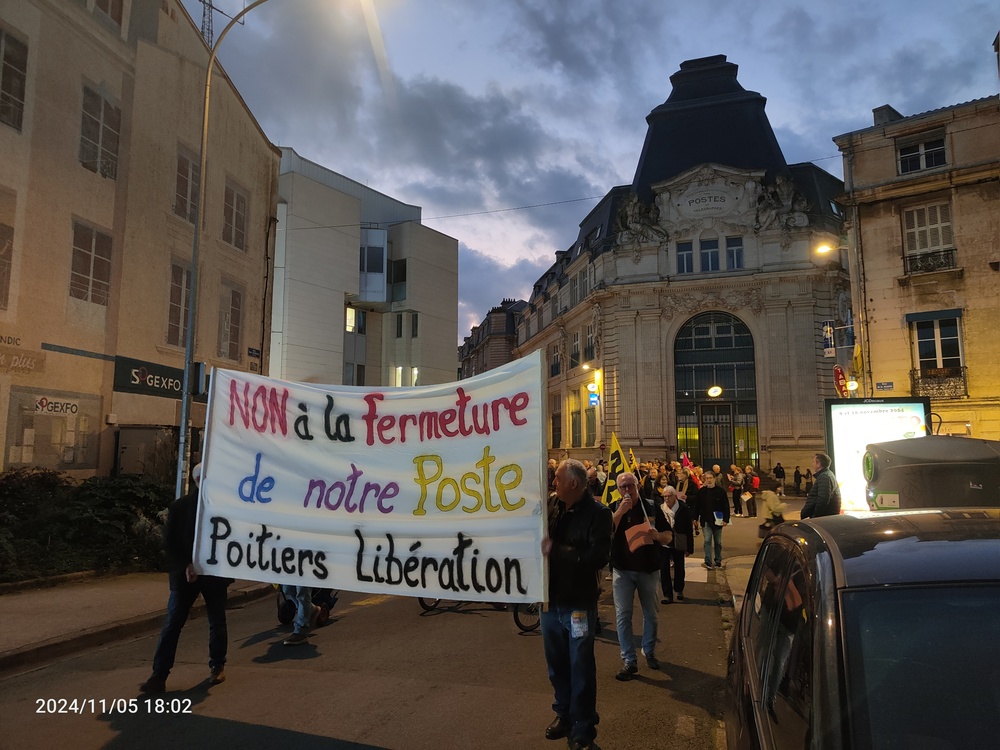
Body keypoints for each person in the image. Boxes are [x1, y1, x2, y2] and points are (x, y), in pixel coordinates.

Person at [540, 459, 613, 750]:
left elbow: (597, 557)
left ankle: (583, 726)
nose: (553, 483)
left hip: (578, 604)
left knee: (580, 665)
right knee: (556, 665)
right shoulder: (552, 507)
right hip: (550, 602)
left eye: (557, 479)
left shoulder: (599, 514)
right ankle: (564, 714)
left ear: (573, 483)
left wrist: (557, 550)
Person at [140, 464, 230, 694]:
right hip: (186, 576)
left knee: (216, 621)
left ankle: (217, 665)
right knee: (172, 624)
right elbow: (169, 542)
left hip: (214, 575)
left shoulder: (222, 507)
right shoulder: (181, 507)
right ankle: (159, 675)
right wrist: (185, 564)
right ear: (198, 480)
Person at [609, 471, 672, 681]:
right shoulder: (613, 508)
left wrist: (658, 536)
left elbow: (669, 536)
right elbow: (607, 531)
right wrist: (620, 511)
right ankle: (629, 660)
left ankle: (649, 650)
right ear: (618, 490)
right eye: (623, 487)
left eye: (630, 486)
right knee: (623, 616)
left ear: (637, 486)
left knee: (651, 614)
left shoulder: (652, 507)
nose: (627, 490)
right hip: (622, 570)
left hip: (648, 570)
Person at [659, 486, 694, 604]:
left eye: (669, 496)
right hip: (664, 542)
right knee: (664, 569)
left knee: (679, 567)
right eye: (665, 496)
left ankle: (679, 589)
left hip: (678, 541)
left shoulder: (683, 508)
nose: (667, 498)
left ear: (675, 496)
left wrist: (689, 547)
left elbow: (689, 529)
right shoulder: (660, 508)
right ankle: (667, 594)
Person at [694, 470, 730, 569]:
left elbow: (725, 505)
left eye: (710, 478)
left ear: (714, 479)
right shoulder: (701, 492)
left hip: (718, 520)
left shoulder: (721, 491)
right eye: (707, 478)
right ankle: (708, 561)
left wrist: (726, 519)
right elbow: (697, 506)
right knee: (707, 540)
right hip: (706, 520)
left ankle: (718, 560)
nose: (709, 480)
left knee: (718, 542)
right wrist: (695, 518)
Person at [800, 453, 841, 519]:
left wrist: (815, 517)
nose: (812, 464)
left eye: (813, 462)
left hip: (823, 519)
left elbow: (823, 500)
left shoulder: (825, 477)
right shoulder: (827, 475)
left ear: (819, 464)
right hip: (826, 517)